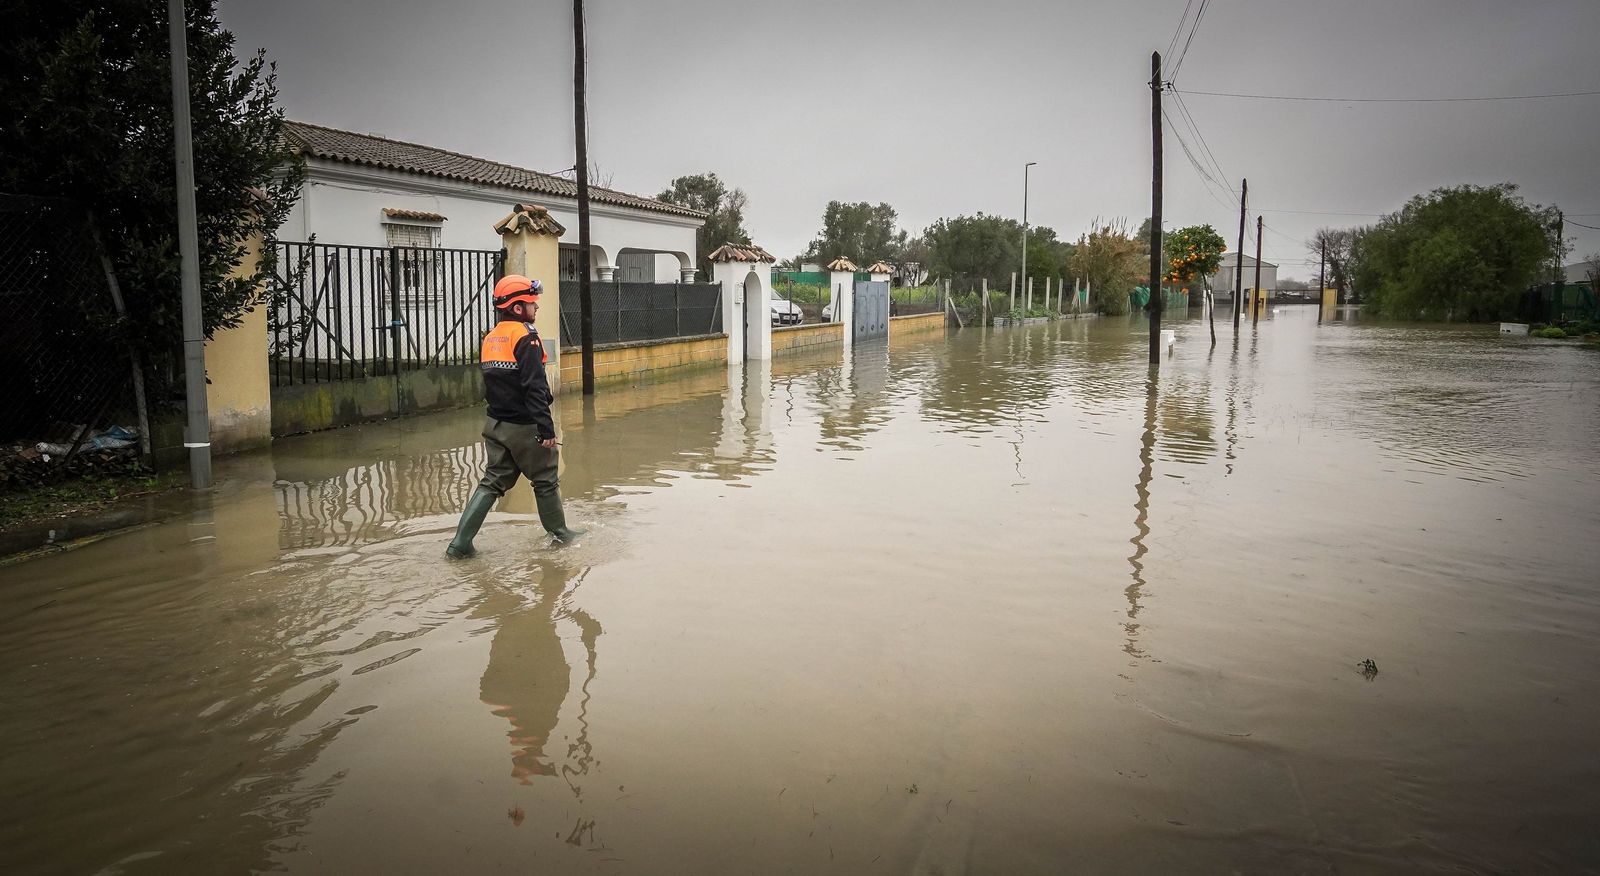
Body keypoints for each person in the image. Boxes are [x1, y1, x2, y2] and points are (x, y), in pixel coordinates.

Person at [447, 274, 582, 557]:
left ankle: (460, 543)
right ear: (518, 308)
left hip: (495, 424)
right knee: (545, 479)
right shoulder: (526, 337)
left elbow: (493, 383)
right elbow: (534, 386)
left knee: (492, 482)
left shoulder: (491, 337)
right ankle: (560, 534)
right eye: (532, 303)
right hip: (524, 426)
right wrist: (546, 429)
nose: (537, 308)